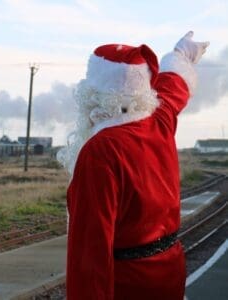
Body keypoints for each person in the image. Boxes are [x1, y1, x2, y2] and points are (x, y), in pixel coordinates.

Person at [57, 32, 209, 299]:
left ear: (93, 95)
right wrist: (182, 55)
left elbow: (90, 252)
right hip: (169, 273)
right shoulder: (159, 121)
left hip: (128, 284)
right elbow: (172, 87)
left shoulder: (100, 151)